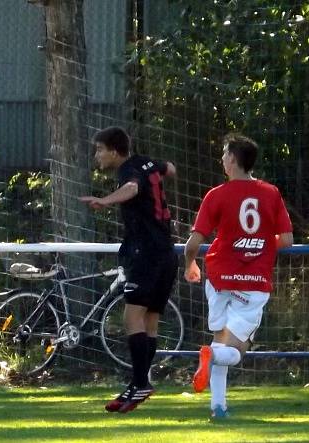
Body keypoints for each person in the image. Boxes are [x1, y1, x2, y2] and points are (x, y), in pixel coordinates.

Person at [184, 133, 293, 419]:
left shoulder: (216, 195)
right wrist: (263, 242)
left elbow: (193, 243)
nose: (221, 159)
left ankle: (218, 408)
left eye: (223, 154)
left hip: (218, 278)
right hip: (253, 283)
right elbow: (288, 240)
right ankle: (212, 359)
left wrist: (189, 264)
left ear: (232, 159)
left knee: (221, 340)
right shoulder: (271, 193)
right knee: (234, 351)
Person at [79, 126, 178, 413]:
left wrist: (105, 200)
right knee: (150, 321)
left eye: (99, 150)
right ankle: (139, 385)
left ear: (114, 151)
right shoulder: (147, 162)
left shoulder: (126, 171)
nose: (97, 155)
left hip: (145, 252)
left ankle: (139, 382)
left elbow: (133, 188)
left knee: (131, 315)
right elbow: (170, 168)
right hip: (166, 252)